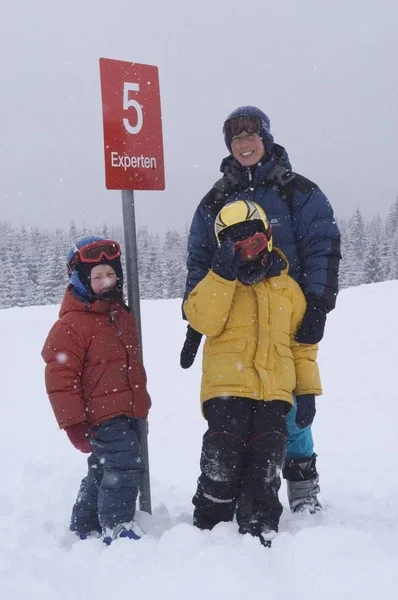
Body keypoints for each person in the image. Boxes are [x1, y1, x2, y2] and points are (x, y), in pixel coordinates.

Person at [181, 106, 341, 514]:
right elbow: (200, 260)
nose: (244, 145)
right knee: (245, 412)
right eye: (236, 139)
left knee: (290, 406)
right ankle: (242, 490)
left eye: (251, 136)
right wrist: (193, 321)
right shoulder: (215, 199)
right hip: (235, 313)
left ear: (265, 139)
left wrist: (318, 303)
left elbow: (322, 244)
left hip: (288, 306)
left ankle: (303, 488)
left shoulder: (297, 190)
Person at [184, 200, 322, 546]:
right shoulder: (217, 284)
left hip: (274, 392)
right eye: (237, 247)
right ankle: (211, 524)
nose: (248, 255)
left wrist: (305, 390)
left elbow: (301, 346)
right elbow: (202, 319)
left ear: (269, 238)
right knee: (223, 458)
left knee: (267, 461)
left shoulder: (288, 289)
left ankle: (260, 524)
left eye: (255, 244)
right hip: (227, 388)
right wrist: (221, 275)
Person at [41, 236, 151, 545]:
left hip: (127, 407)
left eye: (111, 274)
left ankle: (84, 521)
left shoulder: (119, 314)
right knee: (124, 462)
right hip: (100, 414)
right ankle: (117, 525)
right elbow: (60, 379)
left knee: (105, 465)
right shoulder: (71, 325)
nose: (106, 282)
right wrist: (73, 422)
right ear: (80, 280)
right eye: (97, 276)